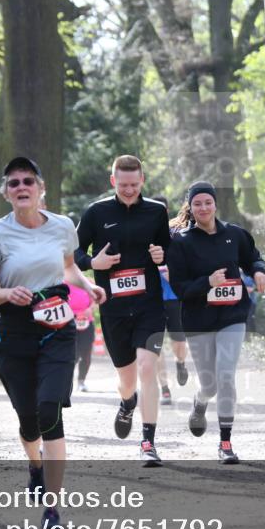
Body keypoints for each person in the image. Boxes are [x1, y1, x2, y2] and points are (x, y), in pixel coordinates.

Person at [0, 156, 106, 527]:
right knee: (28, 420)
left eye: (28, 181)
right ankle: (35, 464)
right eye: (14, 183)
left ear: (40, 189)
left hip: (56, 325)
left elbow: (68, 267)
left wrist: (88, 284)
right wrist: (7, 294)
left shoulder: (63, 226)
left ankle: (52, 508)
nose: (21, 187)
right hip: (14, 329)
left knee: (50, 410)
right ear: (6, 192)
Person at [75, 155, 170, 466]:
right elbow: (71, 253)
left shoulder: (156, 212)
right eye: (123, 184)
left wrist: (162, 255)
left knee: (147, 368)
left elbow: (170, 251)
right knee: (127, 378)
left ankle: (148, 442)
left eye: (134, 184)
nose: (129, 190)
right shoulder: (96, 212)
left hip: (150, 306)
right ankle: (127, 402)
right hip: (114, 309)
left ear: (142, 180)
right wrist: (92, 263)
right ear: (113, 181)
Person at [166, 181, 265, 464]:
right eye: (197, 204)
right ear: (191, 207)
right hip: (198, 320)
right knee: (210, 384)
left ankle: (225, 442)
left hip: (232, 315)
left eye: (207, 202)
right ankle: (200, 403)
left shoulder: (234, 234)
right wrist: (207, 283)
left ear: (215, 204)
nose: (203, 208)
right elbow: (180, 287)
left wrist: (259, 272)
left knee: (225, 375)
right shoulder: (181, 242)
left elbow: (253, 258)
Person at [151, 195, 190, 405]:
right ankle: (164, 388)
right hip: (153, 298)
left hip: (175, 296)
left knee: (179, 342)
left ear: (166, 211)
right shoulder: (142, 233)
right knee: (155, 345)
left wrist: (172, 272)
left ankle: (181, 362)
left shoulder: (175, 234)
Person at [67, 282, 96, 393]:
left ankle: (81, 382)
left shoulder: (87, 282)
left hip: (87, 322)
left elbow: (95, 300)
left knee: (86, 355)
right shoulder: (63, 283)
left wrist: (90, 309)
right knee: (72, 354)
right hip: (70, 323)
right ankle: (67, 382)